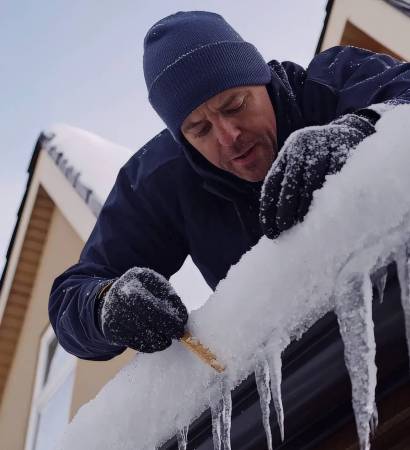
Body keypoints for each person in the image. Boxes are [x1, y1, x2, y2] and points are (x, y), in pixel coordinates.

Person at [49, 11, 410, 360]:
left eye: (235, 105)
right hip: (307, 377)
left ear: (263, 81)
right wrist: (105, 304)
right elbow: (72, 295)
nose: (229, 136)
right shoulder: (163, 179)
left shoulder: (333, 80)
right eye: (200, 130)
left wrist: (363, 132)